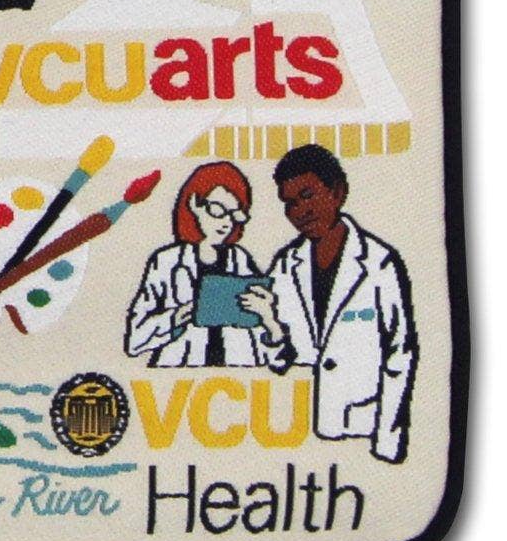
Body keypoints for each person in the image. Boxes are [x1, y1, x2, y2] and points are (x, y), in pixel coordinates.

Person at [263, 144, 416, 463]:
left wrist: (388, 443)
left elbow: (399, 354)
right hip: (297, 437)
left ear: (337, 192)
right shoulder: (284, 267)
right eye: (289, 203)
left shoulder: (379, 264)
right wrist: (270, 330)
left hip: (361, 431)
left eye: (307, 195)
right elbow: (277, 362)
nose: (300, 211)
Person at [125, 162, 288, 369]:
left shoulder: (241, 260)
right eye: (218, 210)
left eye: (235, 214)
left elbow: (278, 362)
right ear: (194, 203)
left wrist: (269, 320)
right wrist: (179, 316)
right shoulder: (166, 262)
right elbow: (134, 341)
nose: (227, 223)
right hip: (178, 379)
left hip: (237, 380)